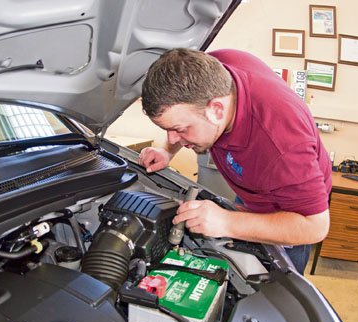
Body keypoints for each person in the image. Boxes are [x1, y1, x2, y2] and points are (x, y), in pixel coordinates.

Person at [138, 48, 331, 274]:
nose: (172, 138)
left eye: (179, 130)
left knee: (268, 295)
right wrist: (166, 151)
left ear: (217, 110)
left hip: (290, 214)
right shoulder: (214, 68)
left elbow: (314, 227)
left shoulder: (282, 146)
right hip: (253, 187)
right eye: (167, 130)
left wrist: (227, 222)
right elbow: (185, 111)